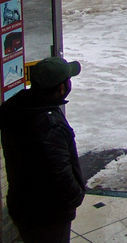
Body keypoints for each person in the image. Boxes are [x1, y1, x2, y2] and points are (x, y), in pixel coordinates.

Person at [0, 56, 86, 242]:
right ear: (61, 88)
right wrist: (76, 195)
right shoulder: (49, 126)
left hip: (22, 204)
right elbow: (60, 174)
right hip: (48, 215)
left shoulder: (17, 108)